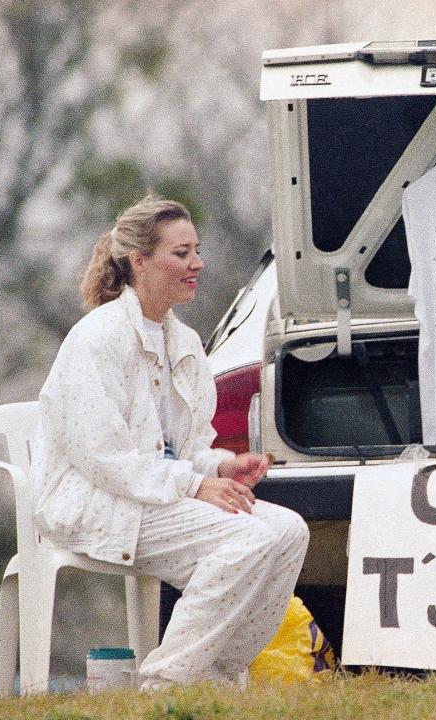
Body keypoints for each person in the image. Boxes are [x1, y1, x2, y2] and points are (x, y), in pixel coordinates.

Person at [31, 195, 310, 689]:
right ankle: (168, 682)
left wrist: (221, 467)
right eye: (181, 253)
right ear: (139, 261)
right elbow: (105, 461)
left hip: (152, 496)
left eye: (195, 251)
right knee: (247, 538)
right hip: (95, 500)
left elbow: (184, 450)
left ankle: (220, 678)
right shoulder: (97, 338)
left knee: (288, 530)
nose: (197, 263)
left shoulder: (183, 342)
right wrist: (195, 485)